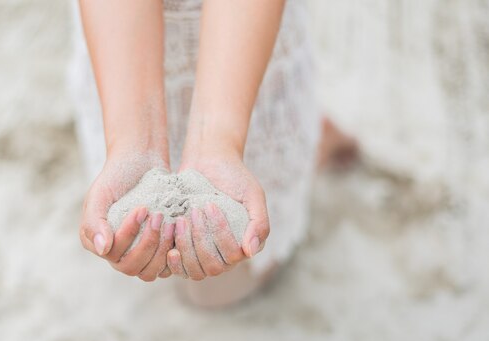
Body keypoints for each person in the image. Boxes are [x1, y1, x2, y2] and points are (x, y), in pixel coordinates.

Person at [70, 0, 356, 308]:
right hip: (122, 38)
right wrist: (134, 144)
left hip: (243, 31)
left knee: (216, 293)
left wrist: (218, 143)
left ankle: (313, 136)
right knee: (147, 239)